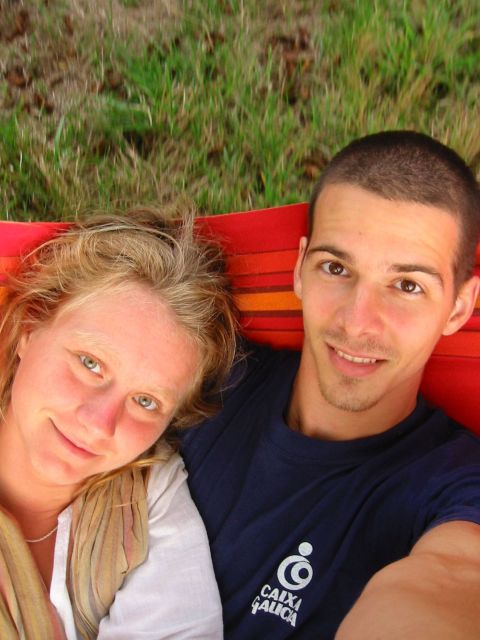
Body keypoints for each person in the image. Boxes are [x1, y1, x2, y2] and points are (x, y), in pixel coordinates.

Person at [180, 131, 480, 639]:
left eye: (407, 285)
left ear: (459, 307)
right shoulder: (205, 372)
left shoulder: (458, 486)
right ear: (300, 269)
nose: (358, 322)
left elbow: (453, 578)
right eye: (336, 268)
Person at [0, 208, 238, 639]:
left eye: (146, 401)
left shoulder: (149, 494)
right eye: (90, 363)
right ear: (29, 329)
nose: (98, 424)